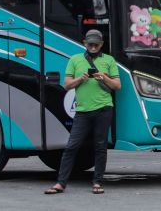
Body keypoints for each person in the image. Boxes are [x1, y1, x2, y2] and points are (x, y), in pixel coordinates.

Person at [45, 30, 121, 195]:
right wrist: (81, 79)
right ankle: (60, 183)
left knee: (100, 146)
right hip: (82, 111)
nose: (93, 47)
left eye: (96, 44)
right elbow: (66, 85)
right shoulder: (75, 59)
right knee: (71, 146)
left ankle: (97, 182)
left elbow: (117, 86)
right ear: (84, 43)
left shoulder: (109, 60)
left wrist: (104, 78)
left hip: (104, 109)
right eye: (90, 44)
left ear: (101, 44)